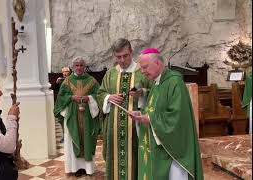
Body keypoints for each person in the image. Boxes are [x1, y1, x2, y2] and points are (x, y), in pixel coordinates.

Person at [129, 48, 203, 180]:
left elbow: (177, 117)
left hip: (172, 150)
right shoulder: (157, 83)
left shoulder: (174, 82)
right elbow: (154, 109)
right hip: (159, 145)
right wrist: (141, 114)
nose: (142, 71)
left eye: (145, 67)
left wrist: (150, 119)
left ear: (157, 63)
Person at [96, 38, 153, 180]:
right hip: (114, 129)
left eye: (125, 55)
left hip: (136, 128)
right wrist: (108, 97)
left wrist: (142, 94)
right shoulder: (111, 74)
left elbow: (154, 93)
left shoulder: (142, 72)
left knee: (135, 159)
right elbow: (100, 93)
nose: (122, 60)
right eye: (118, 57)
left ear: (131, 52)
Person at [53, 57, 100, 177]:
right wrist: (71, 98)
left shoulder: (92, 81)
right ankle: (75, 168)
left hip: (87, 116)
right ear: (73, 67)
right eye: (77, 65)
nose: (79, 67)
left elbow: (99, 94)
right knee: (72, 141)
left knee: (87, 140)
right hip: (72, 116)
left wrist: (89, 98)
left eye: (81, 65)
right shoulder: (67, 81)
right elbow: (61, 97)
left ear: (85, 67)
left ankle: (87, 168)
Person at [55, 66, 71, 143]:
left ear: (69, 72)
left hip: (70, 102)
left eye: (66, 71)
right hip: (61, 103)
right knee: (61, 120)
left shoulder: (72, 80)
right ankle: (64, 136)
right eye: (63, 72)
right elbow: (56, 91)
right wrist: (56, 83)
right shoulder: (60, 80)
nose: (65, 73)